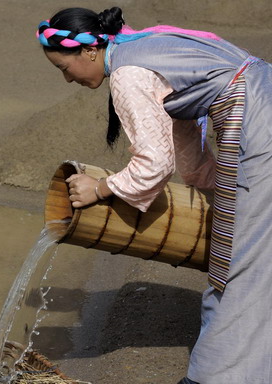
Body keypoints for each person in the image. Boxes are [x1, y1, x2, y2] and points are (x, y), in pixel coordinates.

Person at [36, 6, 272, 384]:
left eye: (65, 69)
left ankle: (218, 377)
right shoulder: (143, 45)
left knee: (240, 261)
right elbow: (185, 144)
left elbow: (155, 164)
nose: (67, 80)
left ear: (90, 52)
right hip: (261, 103)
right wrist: (215, 183)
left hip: (258, 121)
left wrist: (99, 188)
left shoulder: (128, 74)